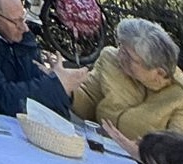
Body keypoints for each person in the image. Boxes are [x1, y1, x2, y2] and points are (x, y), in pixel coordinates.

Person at [70, 19, 183, 153]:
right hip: (96, 148)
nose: (119, 55)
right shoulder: (110, 59)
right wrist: (68, 88)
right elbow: (90, 99)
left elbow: (175, 152)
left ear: (158, 72)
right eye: (121, 46)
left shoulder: (179, 97)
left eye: (128, 55)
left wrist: (142, 152)